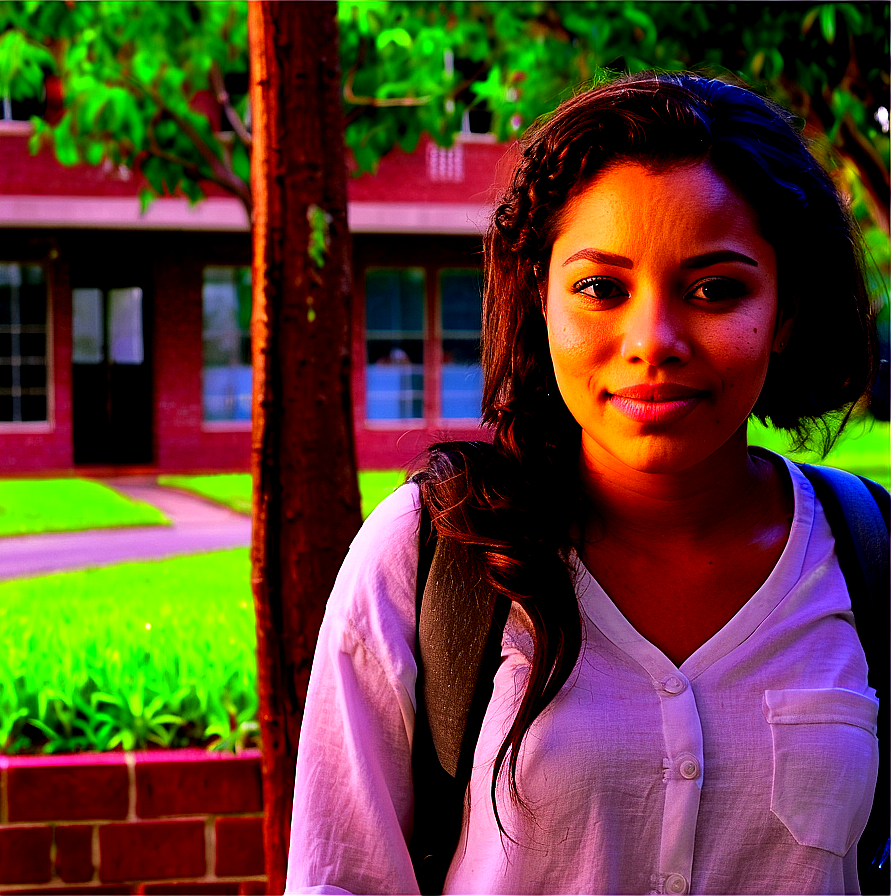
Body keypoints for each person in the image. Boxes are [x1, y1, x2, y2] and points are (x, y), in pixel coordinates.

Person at [285, 72, 884, 895]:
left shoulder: (871, 558)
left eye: (716, 289)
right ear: (541, 297)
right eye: (602, 288)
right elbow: (342, 878)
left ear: (783, 312)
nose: (654, 341)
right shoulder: (430, 554)